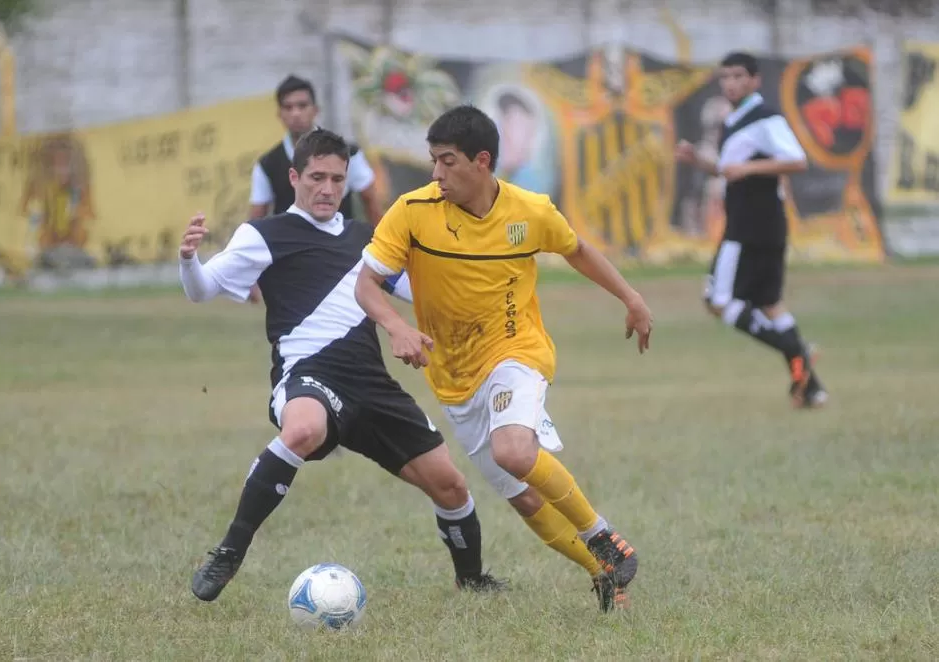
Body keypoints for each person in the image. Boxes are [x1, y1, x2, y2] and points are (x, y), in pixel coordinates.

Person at [180, 128, 506, 602]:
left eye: (337, 179)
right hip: (309, 374)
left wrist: (481, 289)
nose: (328, 189)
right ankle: (228, 553)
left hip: (371, 383)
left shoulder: (367, 240)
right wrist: (189, 259)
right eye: (317, 177)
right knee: (302, 430)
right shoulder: (264, 234)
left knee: (451, 485)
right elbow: (202, 289)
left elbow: (422, 294)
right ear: (294, 177)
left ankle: (472, 580)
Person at [354, 105, 653, 613]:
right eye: (433, 161)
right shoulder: (412, 212)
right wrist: (397, 325)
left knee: (514, 451)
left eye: (447, 161)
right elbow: (367, 285)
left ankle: (602, 536)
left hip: (517, 351)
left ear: (482, 161)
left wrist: (631, 297)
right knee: (526, 498)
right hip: (454, 377)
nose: (436, 173)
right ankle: (603, 572)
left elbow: (577, 249)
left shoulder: (528, 211)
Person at [675, 51, 828, 408]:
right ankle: (813, 389)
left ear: (755, 80)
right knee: (770, 304)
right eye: (725, 76)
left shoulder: (764, 118)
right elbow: (730, 170)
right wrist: (699, 160)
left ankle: (798, 354)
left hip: (749, 227)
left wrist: (747, 171)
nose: (731, 83)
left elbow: (797, 160)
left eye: (739, 76)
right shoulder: (738, 119)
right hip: (766, 225)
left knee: (718, 300)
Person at [249, 75, 382, 225]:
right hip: (290, 246)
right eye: (288, 107)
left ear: (315, 110)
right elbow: (257, 217)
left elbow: (371, 201)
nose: (296, 113)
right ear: (280, 114)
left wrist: (381, 244)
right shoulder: (267, 164)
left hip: (339, 244)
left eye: (302, 105)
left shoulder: (348, 153)